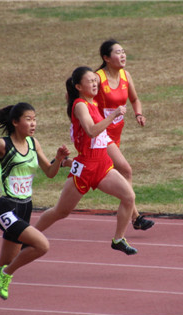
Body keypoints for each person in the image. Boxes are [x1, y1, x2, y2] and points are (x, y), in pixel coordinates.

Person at [0, 102, 69, 315]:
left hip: (25, 208)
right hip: (7, 208)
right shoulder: (2, 144)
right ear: (15, 122)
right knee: (42, 245)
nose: (33, 124)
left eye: (35, 119)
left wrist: (58, 160)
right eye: (28, 119)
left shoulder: (33, 143)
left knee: (3, 263)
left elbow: (49, 172)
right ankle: (7, 275)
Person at [34, 66, 138, 256]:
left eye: (95, 80)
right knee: (61, 212)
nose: (94, 83)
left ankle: (118, 239)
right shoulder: (80, 105)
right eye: (89, 80)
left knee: (129, 197)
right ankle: (30, 235)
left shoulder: (93, 104)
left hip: (103, 165)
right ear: (78, 86)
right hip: (85, 168)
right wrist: (114, 114)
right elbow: (91, 131)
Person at [95, 39, 154, 231]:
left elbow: (134, 99)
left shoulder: (125, 75)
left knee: (98, 170)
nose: (122, 55)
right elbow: (81, 100)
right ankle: (135, 216)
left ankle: (68, 162)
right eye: (117, 52)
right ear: (106, 58)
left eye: (123, 51)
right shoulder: (97, 78)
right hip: (101, 134)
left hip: (116, 134)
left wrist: (139, 113)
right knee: (125, 170)